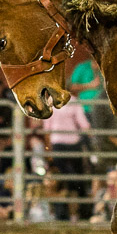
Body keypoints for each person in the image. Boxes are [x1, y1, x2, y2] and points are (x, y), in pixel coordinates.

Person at [41, 87, 92, 220]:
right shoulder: (74, 102)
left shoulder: (50, 102)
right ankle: (83, 212)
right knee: (77, 178)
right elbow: (84, 125)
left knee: (62, 179)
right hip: (73, 144)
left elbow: (47, 128)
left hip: (58, 144)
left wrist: (48, 149)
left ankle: (63, 214)